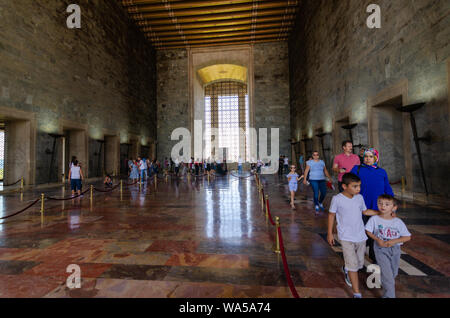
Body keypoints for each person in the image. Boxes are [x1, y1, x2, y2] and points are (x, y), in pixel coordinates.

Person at [327, 173, 379, 298]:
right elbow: (331, 215)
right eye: (355, 186)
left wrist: (380, 213)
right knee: (353, 266)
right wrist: (330, 233)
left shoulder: (359, 198)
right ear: (344, 186)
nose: (358, 189)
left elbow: (365, 211)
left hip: (360, 235)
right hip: (346, 236)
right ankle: (357, 293)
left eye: (359, 186)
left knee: (359, 263)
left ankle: (346, 268)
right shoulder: (337, 199)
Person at [351, 147, 394, 263]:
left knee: (376, 234)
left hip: (378, 208)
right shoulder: (357, 169)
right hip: (361, 207)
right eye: (366, 156)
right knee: (361, 232)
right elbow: (349, 185)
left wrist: (392, 206)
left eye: (371, 156)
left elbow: (387, 189)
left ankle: (374, 258)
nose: (368, 159)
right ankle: (356, 259)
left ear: (375, 158)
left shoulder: (381, 172)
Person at [365, 194, 411, 298]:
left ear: (394, 208)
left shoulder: (398, 222)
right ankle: (389, 295)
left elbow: (407, 237)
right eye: (380, 203)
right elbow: (368, 231)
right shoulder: (374, 219)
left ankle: (384, 279)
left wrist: (394, 241)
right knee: (389, 278)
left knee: (393, 273)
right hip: (380, 249)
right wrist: (377, 239)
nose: (383, 206)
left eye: (387, 204)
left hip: (395, 249)